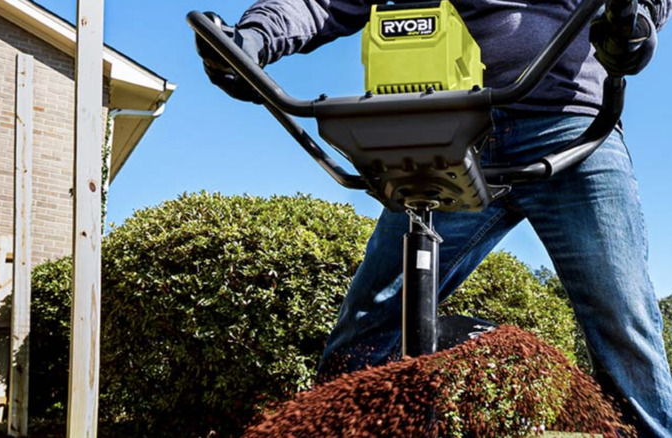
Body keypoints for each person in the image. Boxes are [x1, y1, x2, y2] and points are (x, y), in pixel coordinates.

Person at [195, 0, 672, 436]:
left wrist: (637, 20)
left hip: (569, 125)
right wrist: (253, 38)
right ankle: (339, 429)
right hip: (452, 129)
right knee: (369, 321)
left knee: (622, 316)